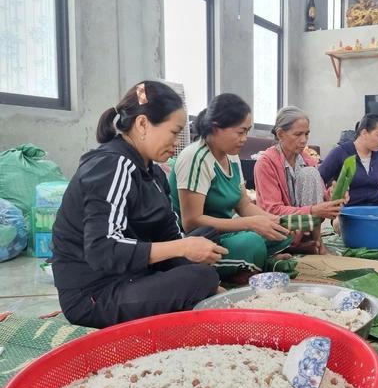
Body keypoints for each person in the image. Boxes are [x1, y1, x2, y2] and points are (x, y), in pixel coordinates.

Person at [52, 81, 227, 329]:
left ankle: (192, 287)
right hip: (95, 293)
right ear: (142, 124)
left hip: (132, 273)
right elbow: (102, 250)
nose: (177, 142)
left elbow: (169, 234)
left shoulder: (152, 172)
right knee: (201, 277)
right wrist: (184, 249)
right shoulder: (112, 166)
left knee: (207, 236)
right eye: (174, 132)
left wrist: (187, 247)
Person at [169, 93, 291, 285]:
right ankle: (250, 264)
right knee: (251, 243)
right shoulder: (196, 157)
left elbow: (243, 204)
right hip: (199, 240)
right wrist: (250, 224)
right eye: (240, 132)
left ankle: (252, 263)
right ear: (216, 128)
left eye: (247, 132)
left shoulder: (231, 156)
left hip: (225, 232)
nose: (244, 139)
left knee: (282, 232)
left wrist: (272, 220)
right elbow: (192, 222)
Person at [254, 106, 346, 254]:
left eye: (306, 134)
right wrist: (313, 210)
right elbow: (272, 210)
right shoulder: (265, 163)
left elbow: (319, 196)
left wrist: (334, 195)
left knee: (310, 173)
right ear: (280, 134)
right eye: (297, 134)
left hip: (304, 228)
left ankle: (314, 241)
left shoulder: (307, 159)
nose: (304, 140)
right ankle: (310, 244)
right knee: (310, 173)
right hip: (280, 229)